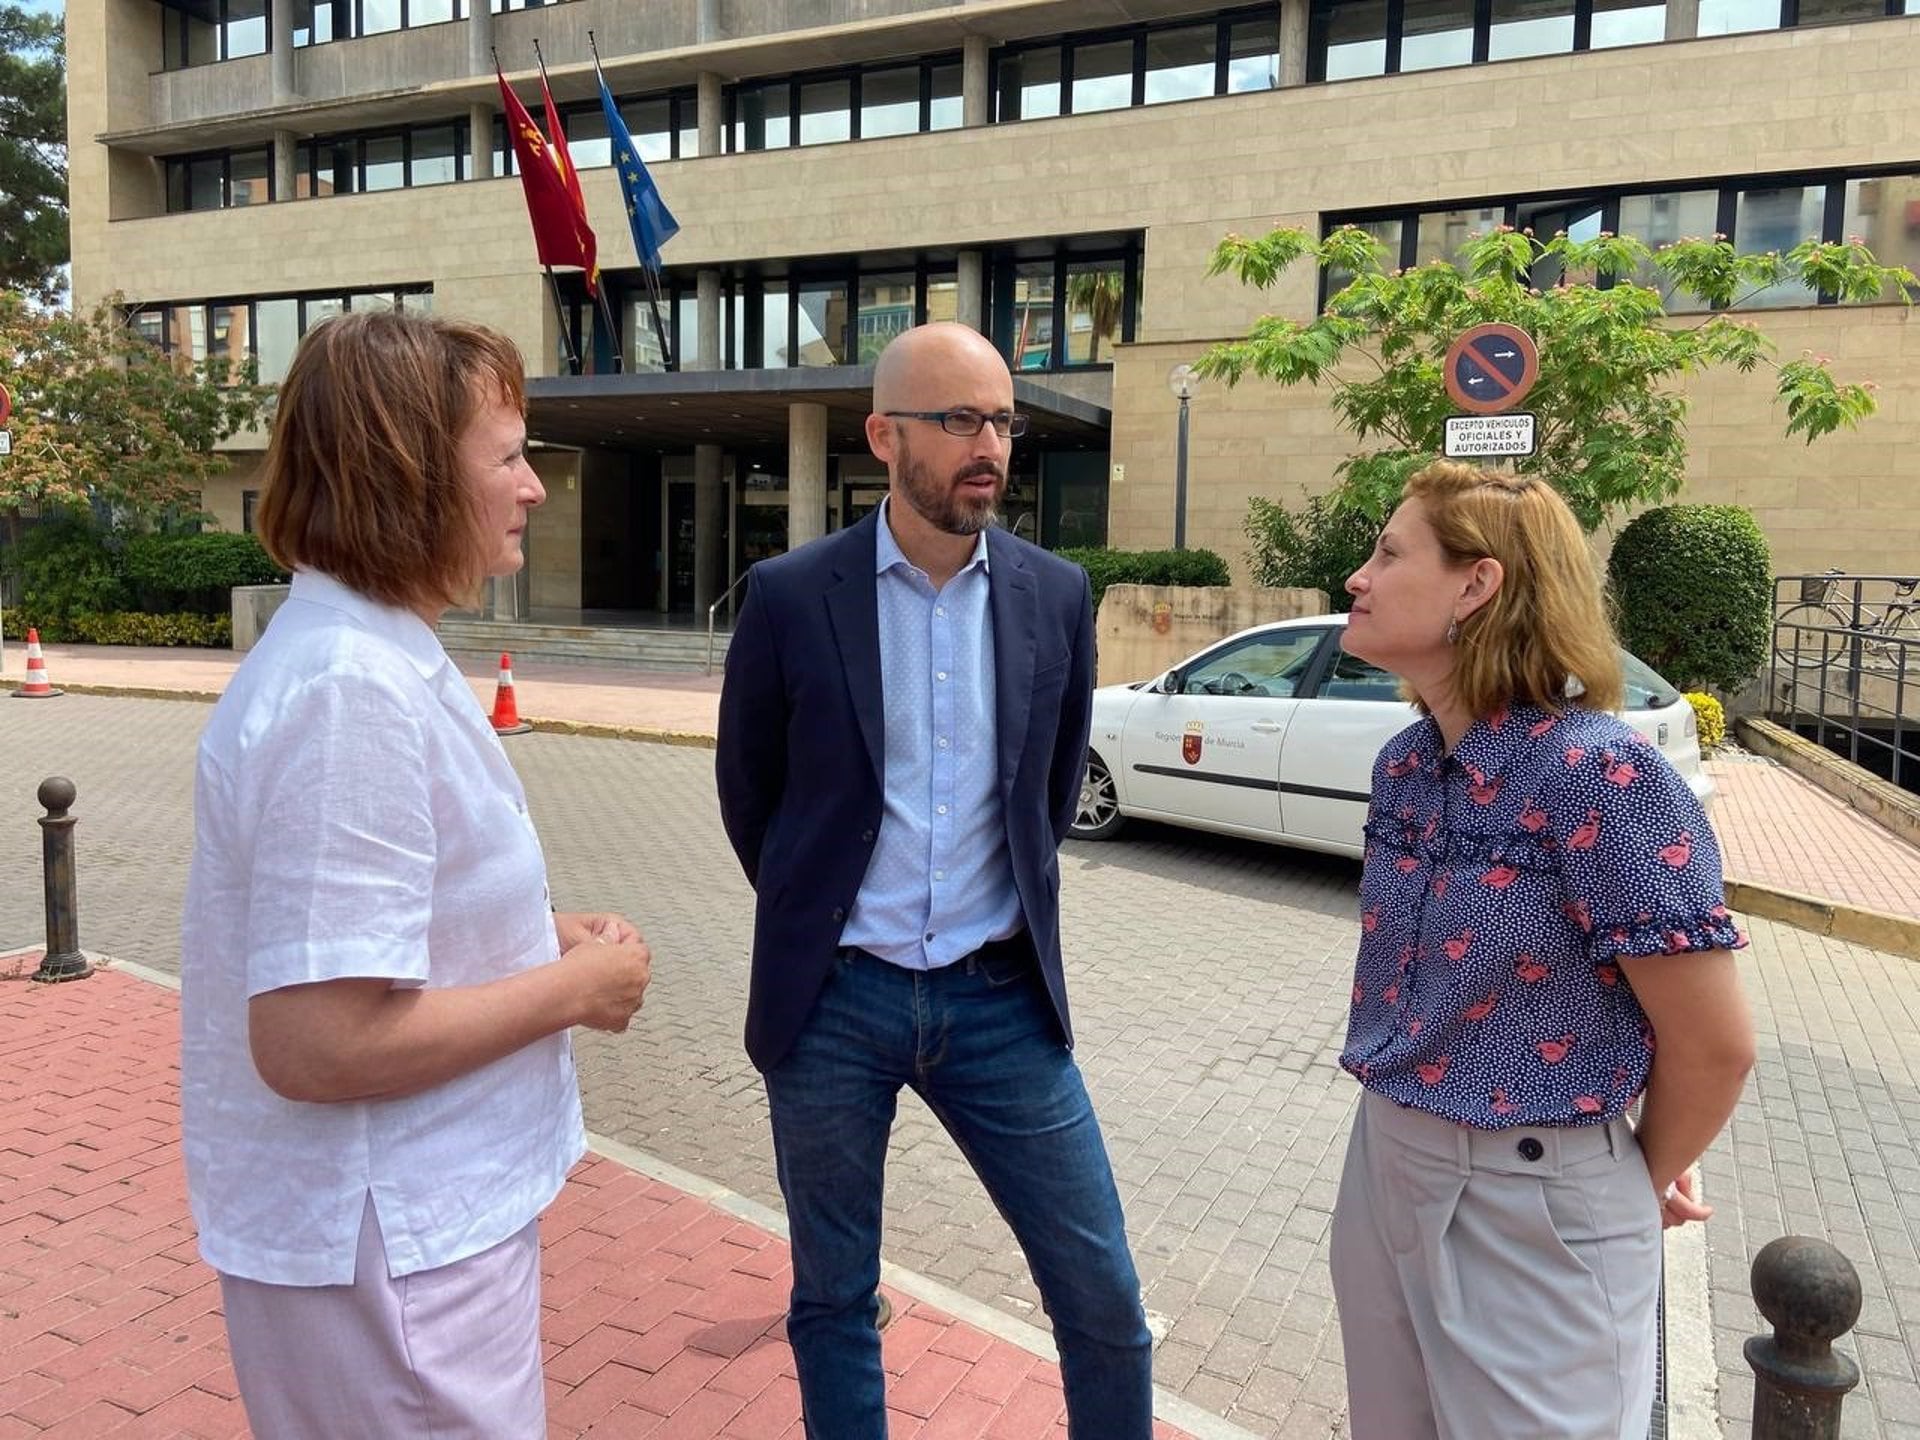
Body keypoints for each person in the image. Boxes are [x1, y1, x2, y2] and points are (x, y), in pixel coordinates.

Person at [179, 310, 653, 1438]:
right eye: (506, 457)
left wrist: (532, 934)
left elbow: (384, 926)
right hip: (392, 1255)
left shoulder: (373, 655)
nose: (533, 486)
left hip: (407, 1241)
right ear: (408, 477)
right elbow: (316, 1040)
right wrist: (571, 990)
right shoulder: (352, 688)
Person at [715, 322, 1154, 1438]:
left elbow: (1046, 797)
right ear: (882, 436)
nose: (989, 446)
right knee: (833, 1296)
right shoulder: (790, 594)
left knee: (1103, 1298)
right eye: (959, 419)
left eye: (1002, 419)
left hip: (999, 998)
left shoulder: (1056, 596)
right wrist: (820, 917)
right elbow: (752, 794)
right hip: (834, 1002)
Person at [1329, 460, 1757, 1439]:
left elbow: (1715, 1045)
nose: (1359, 576)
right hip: (1387, 1159)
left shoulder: (1600, 775)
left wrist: (1628, 1171)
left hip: (1535, 1203)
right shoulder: (1404, 766)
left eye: (1389, 554)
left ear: (1477, 585)